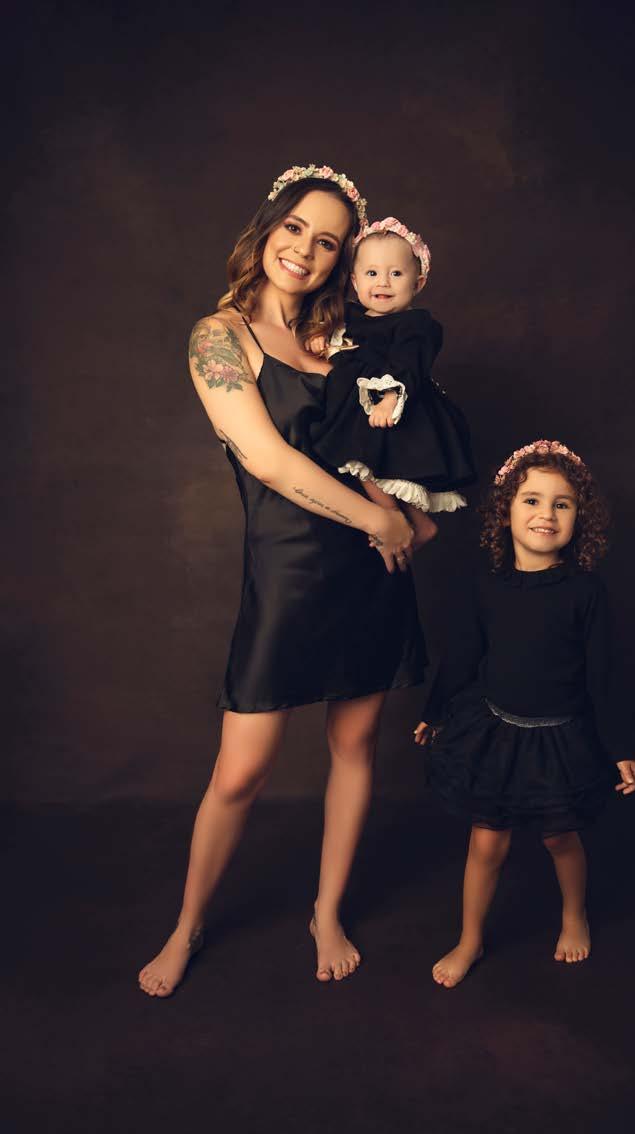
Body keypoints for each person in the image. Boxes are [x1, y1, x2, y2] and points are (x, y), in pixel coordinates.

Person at [138, 164, 427, 997]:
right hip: (289, 574)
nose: (306, 249)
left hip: (371, 575)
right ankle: (188, 925)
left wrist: (403, 511)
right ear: (269, 227)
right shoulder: (218, 337)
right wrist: (376, 518)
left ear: (342, 259)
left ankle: (326, 912)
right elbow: (266, 459)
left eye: (328, 241)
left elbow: (389, 442)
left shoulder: (350, 341)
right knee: (240, 774)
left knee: (355, 748)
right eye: (296, 227)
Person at [414, 439, 635, 988]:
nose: (546, 514)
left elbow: (603, 676)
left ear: (579, 518)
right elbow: (463, 657)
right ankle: (470, 939)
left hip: (559, 737)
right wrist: (435, 711)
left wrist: (621, 747)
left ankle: (574, 915)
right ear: (506, 511)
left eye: (562, 504)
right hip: (495, 732)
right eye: (532, 500)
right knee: (486, 842)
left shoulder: (585, 592)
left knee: (560, 838)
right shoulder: (487, 587)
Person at [309, 216, 476, 549]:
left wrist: (390, 399)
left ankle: (394, 521)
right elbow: (336, 338)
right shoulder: (350, 315)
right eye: (371, 273)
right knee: (368, 465)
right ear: (355, 280)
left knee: (364, 463)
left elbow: (409, 364)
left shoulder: (415, 326)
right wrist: (322, 339)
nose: (383, 283)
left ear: (419, 282)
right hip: (356, 406)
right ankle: (413, 522)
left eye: (396, 274)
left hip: (392, 405)